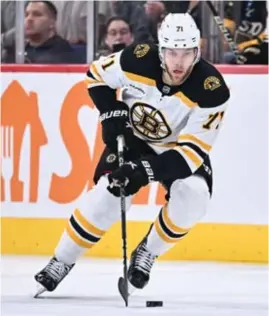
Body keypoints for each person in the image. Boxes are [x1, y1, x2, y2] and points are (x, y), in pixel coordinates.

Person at [34, 13, 230, 298]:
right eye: (172, 52)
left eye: (187, 53)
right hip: (134, 138)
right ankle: (61, 261)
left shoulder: (212, 89)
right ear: (160, 50)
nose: (178, 62)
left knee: (195, 196)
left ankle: (147, 252)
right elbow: (97, 76)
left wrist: (145, 170)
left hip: (175, 148)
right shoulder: (136, 59)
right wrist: (111, 113)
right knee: (110, 194)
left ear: (197, 52)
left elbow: (189, 155)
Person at [2, 1, 80, 64]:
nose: (29, 19)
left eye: (37, 15)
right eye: (26, 15)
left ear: (52, 22)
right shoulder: (16, 51)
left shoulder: (62, 53)